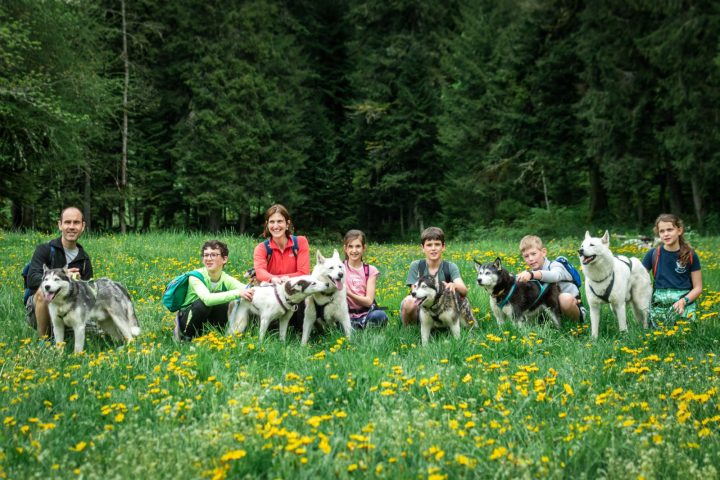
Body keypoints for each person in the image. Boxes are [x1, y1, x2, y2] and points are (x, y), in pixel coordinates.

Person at [25, 206, 93, 337]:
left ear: (83, 226)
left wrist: (77, 284)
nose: (71, 227)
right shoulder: (45, 249)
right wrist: (60, 278)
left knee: (101, 330)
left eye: (76, 222)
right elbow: (32, 279)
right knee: (44, 291)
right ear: (60, 225)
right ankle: (44, 341)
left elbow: (88, 296)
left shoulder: (84, 259)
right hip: (38, 310)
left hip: (68, 310)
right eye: (67, 222)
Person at [174, 240, 254, 340]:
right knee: (204, 302)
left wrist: (256, 284)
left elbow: (246, 289)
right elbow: (207, 299)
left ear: (224, 259)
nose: (208, 259)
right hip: (187, 322)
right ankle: (187, 337)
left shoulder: (225, 279)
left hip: (207, 326)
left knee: (224, 299)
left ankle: (214, 335)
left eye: (213, 255)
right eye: (206, 255)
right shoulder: (195, 276)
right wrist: (237, 293)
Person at [252, 204, 310, 328]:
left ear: (287, 224)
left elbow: (304, 272)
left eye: (280, 221)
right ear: (267, 224)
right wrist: (273, 279)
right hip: (273, 295)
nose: (276, 226)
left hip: (296, 294)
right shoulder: (261, 248)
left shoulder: (300, 242)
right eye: (272, 222)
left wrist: (281, 278)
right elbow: (260, 272)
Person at [400, 226, 469, 326]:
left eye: (437, 244)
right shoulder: (416, 265)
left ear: (443, 247)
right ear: (423, 248)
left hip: (443, 308)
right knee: (409, 301)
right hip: (422, 304)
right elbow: (414, 291)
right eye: (429, 245)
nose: (433, 248)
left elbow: (464, 291)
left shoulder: (450, 267)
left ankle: (446, 326)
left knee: (461, 301)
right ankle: (409, 329)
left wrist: (454, 285)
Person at [641, 213, 702, 324]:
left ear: (679, 230)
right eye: (662, 231)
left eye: (669, 230)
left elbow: (698, 288)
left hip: (684, 305)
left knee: (683, 332)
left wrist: (684, 301)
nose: (666, 234)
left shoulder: (691, 255)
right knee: (657, 333)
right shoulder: (653, 254)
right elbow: (639, 279)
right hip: (658, 307)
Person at [516, 235, 584, 322]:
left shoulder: (555, 265)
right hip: (550, 310)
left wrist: (532, 274)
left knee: (565, 299)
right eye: (526, 256)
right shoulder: (530, 274)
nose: (531, 259)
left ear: (543, 252)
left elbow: (555, 276)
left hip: (572, 307)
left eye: (533, 254)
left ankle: (574, 325)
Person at [342, 229, 388, 329]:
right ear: (345, 248)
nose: (354, 250)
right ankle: (353, 328)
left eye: (358, 246)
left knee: (380, 315)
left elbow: (368, 301)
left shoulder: (371, 270)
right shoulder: (339, 268)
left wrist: (348, 293)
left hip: (366, 314)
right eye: (350, 246)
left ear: (364, 248)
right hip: (344, 315)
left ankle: (359, 327)